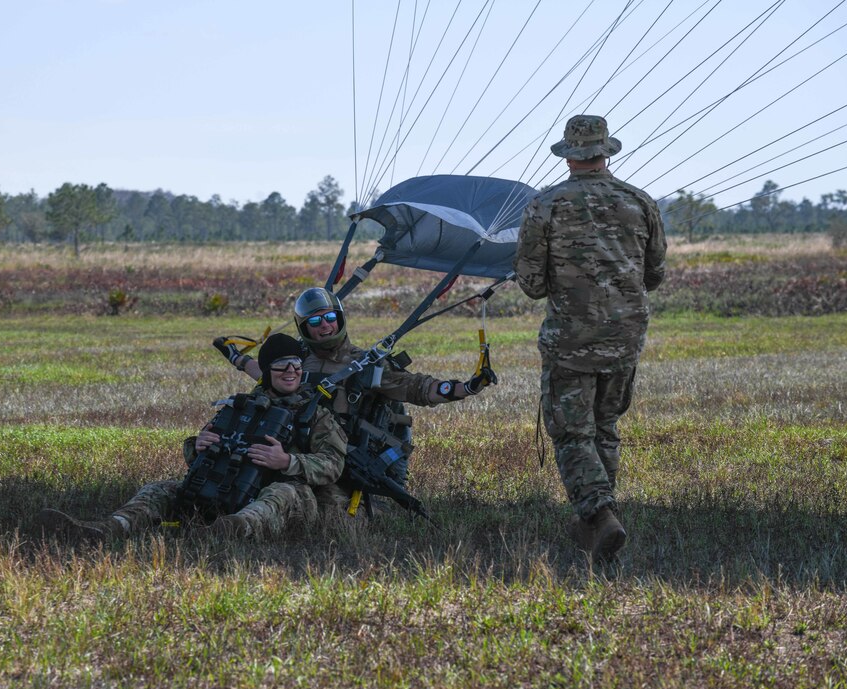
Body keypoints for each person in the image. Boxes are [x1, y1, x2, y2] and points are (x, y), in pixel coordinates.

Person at [514, 114, 667, 561]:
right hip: (624, 338)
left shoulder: (546, 206)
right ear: (605, 151)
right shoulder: (639, 202)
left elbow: (531, 283)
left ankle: (599, 514)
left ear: (568, 155)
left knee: (571, 433)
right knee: (604, 428)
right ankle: (596, 523)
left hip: (570, 341)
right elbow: (654, 274)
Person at [38, 333, 347, 542]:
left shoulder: (315, 413)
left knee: (282, 493)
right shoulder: (241, 406)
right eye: (282, 366)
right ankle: (107, 529)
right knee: (160, 489)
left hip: (292, 497)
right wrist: (198, 445)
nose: (291, 372)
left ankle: (225, 533)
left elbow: (334, 464)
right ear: (267, 371)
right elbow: (200, 453)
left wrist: (288, 461)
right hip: (229, 487)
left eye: (296, 365)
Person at [214, 287, 496, 513]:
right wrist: (237, 358)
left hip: (341, 462)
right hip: (299, 452)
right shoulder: (298, 361)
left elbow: (417, 388)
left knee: (331, 514)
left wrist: (466, 388)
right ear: (304, 328)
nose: (324, 325)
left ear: (340, 318)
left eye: (329, 317)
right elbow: (267, 375)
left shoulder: (364, 365)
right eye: (314, 321)